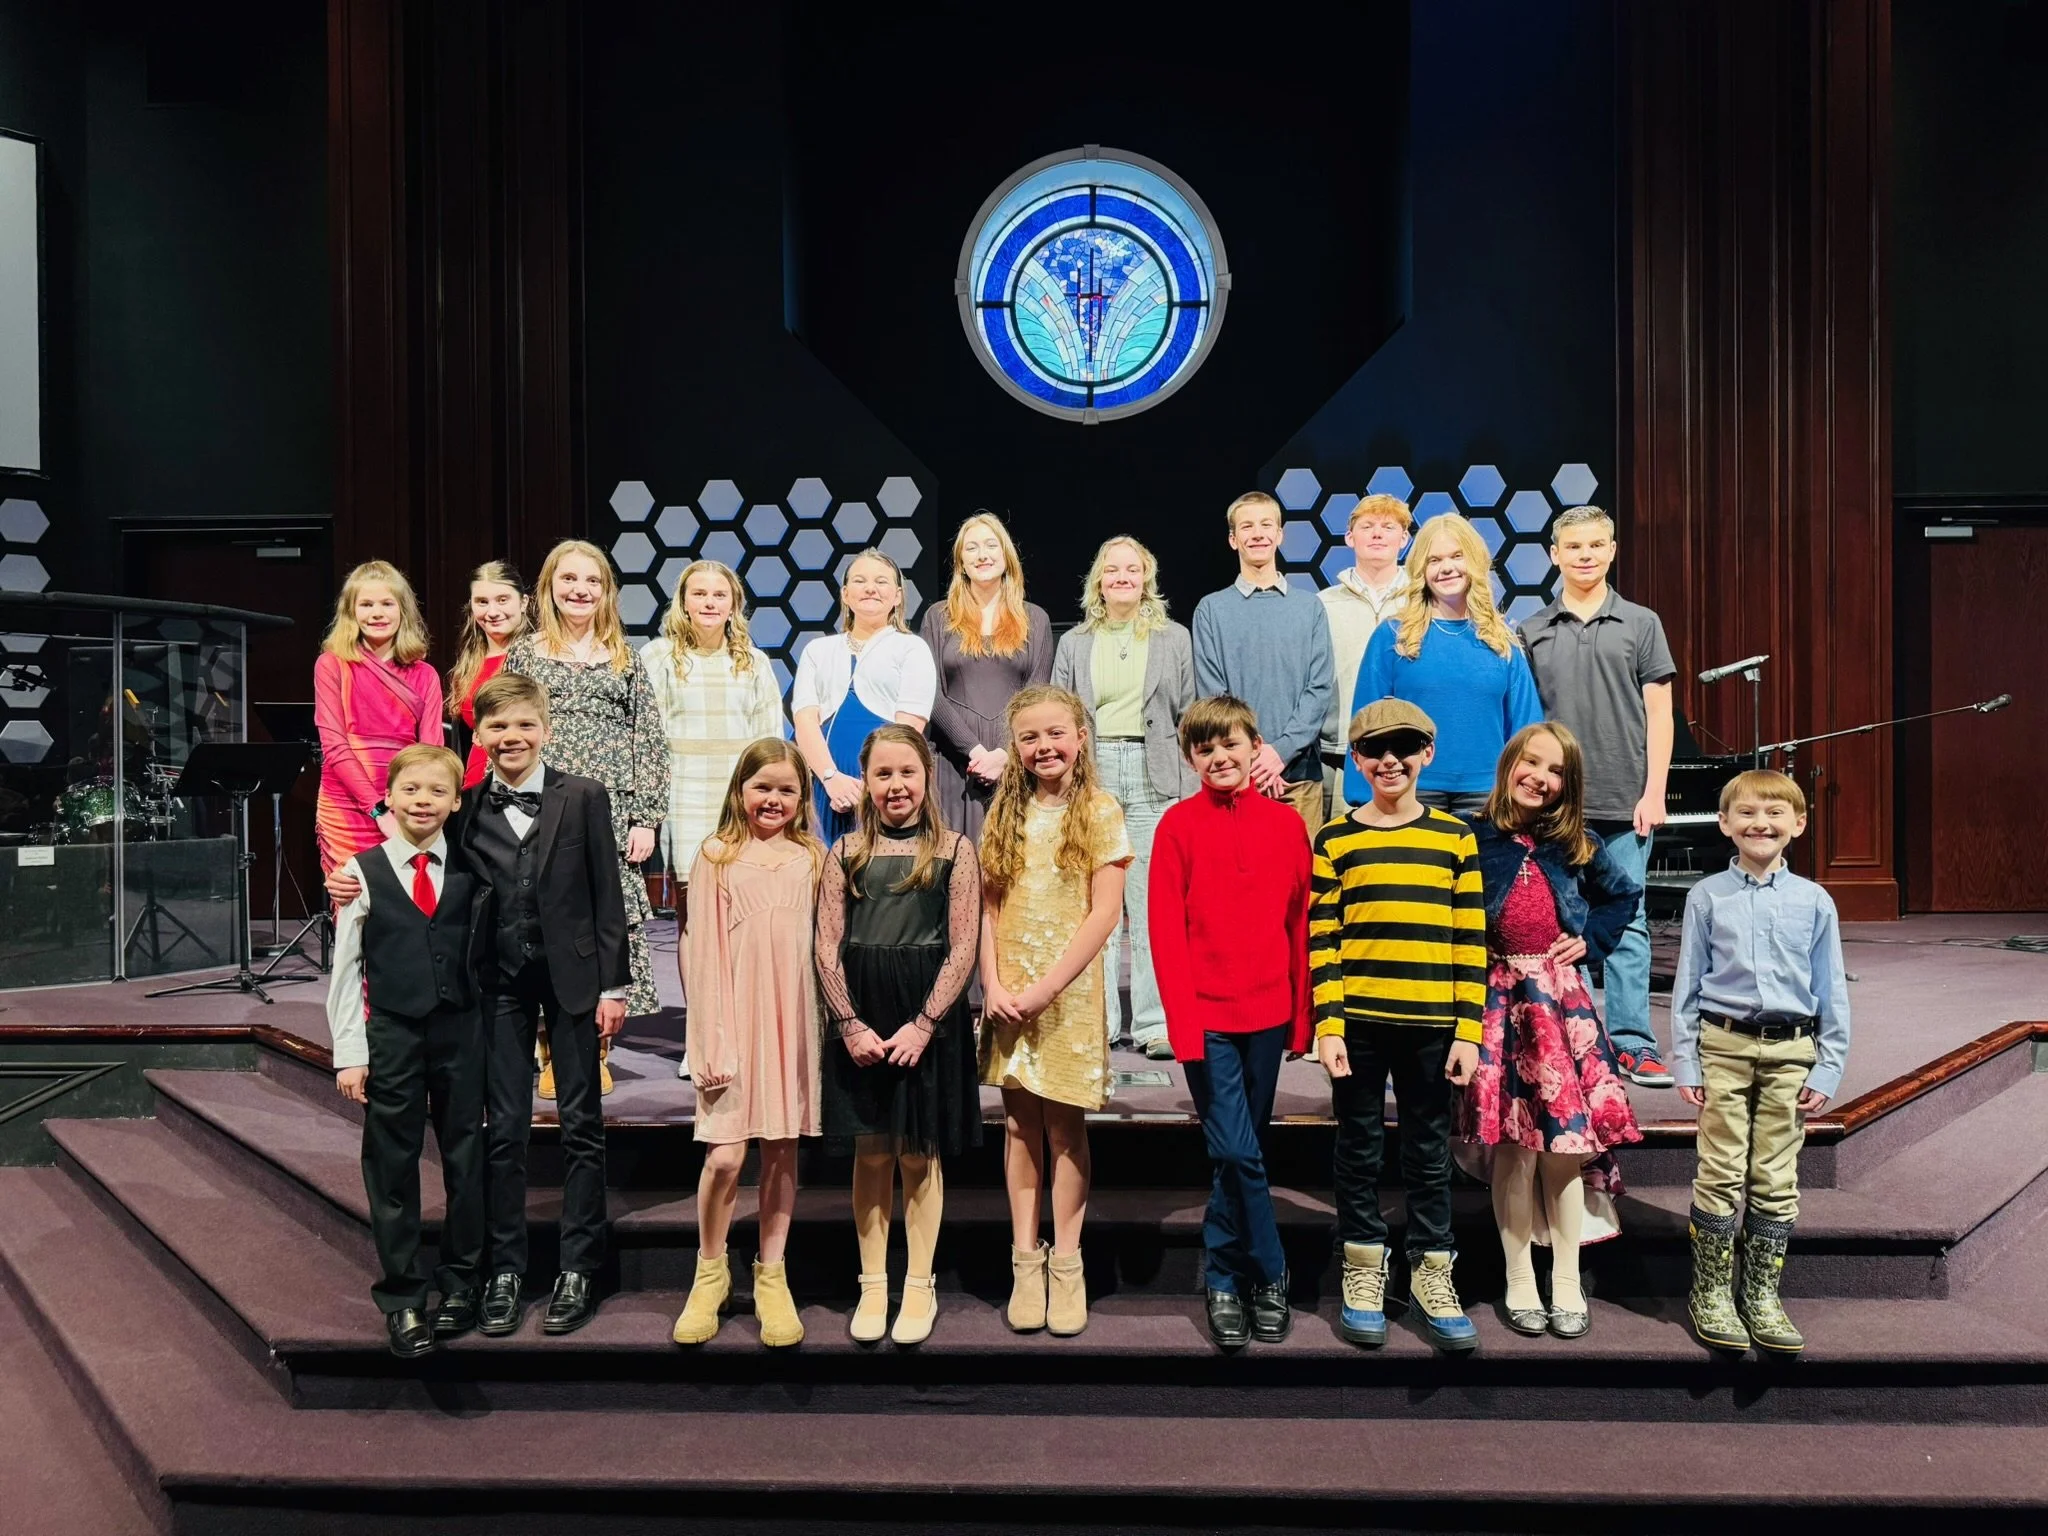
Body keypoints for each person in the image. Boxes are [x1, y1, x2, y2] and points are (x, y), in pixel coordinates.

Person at [323, 671, 632, 1339]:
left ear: (545, 729)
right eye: (497, 726)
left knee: (581, 1125)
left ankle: (578, 1267)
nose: (511, 736)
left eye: (524, 724)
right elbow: (412, 833)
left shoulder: (584, 795)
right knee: (504, 1131)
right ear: (479, 735)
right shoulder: (463, 806)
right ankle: (505, 1272)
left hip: (575, 981)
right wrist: (352, 875)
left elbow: (607, 892)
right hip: (498, 983)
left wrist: (614, 985)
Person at [1453, 723, 1644, 1341]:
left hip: (1557, 1008)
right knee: (1515, 1149)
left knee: (1563, 1147)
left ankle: (1565, 1278)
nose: (1540, 777)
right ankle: (1518, 1277)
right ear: (1509, 763)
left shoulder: (1577, 844)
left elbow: (1622, 897)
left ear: (1569, 783)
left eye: (1555, 770)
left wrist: (1591, 940)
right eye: (1530, 762)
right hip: (1497, 1004)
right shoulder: (1471, 838)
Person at [1312, 698, 1485, 1353]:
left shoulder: (1454, 838)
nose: (1390, 761)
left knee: (1428, 1152)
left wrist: (1468, 1030)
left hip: (1433, 1026)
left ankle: (1432, 1271)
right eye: (1375, 750)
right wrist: (1329, 1024)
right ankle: (1362, 1266)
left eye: (1404, 748)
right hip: (1357, 1024)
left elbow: (1470, 940)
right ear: (1356, 761)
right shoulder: (1336, 839)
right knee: (1357, 1148)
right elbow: (1323, 939)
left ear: (1427, 754)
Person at [1147, 696, 1311, 1349]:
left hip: (1268, 1014)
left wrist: (1302, 1018)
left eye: (1230, 744)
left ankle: (1222, 1279)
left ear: (1254, 746)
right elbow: (1165, 935)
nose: (1219, 757)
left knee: (1239, 1154)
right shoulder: (1177, 826)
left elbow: (1299, 923)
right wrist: (1183, 1028)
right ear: (1191, 759)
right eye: (1205, 748)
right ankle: (1266, 1273)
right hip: (1207, 1017)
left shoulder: (1287, 825)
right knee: (1238, 1150)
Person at [1672, 769, 1850, 1357]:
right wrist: (1687, 1061)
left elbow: (1831, 988)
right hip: (1723, 1046)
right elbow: (1687, 985)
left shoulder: (1815, 900)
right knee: (1720, 1167)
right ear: (1725, 823)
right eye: (1746, 813)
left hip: (1792, 1052)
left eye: (1775, 813)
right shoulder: (1706, 897)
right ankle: (1711, 1292)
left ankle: (1761, 1294)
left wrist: (1828, 1064)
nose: (1761, 823)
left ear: (1798, 823)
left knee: (1776, 1174)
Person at [814, 726, 982, 1346]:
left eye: (906, 772)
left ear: (927, 776)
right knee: (873, 1151)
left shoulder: (956, 850)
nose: (895, 786)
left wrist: (926, 1023)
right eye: (882, 774)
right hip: (862, 1014)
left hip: (924, 1017)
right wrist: (849, 1023)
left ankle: (918, 1283)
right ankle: (872, 1283)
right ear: (865, 781)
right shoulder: (845, 851)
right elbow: (826, 943)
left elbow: (963, 945)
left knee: (917, 1152)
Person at [327, 744, 491, 1358]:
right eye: (411, 790)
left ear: (455, 802)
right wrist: (350, 1051)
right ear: (389, 799)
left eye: (437, 791)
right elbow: (346, 970)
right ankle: (402, 1297)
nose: (423, 801)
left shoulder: (474, 867)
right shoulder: (360, 871)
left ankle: (462, 1281)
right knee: (392, 1163)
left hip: (461, 1033)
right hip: (393, 1036)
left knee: (465, 1157)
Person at [977, 684, 1131, 1338]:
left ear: (1081, 738)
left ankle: (1067, 1261)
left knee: (1065, 1129)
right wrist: (992, 983)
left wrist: (1046, 990)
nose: (1044, 747)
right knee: (1019, 1127)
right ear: (1015, 747)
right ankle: (1025, 1260)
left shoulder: (1098, 810)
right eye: (1030, 737)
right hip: (1009, 993)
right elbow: (987, 908)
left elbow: (1105, 912)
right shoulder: (1002, 812)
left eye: (1056, 733)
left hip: (1064, 995)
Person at [670, 739, 826, 1350]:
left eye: (787, 789)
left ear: (802, 797)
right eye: (763, 787)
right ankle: (709, 1272)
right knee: (727, 1157)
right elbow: (702, 951)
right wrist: (708, 1040)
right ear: (740, 790)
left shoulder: (813, 858)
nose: (774, 799)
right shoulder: (717, 855)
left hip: (795, 1021)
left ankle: (771, 1274)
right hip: (733, 1021)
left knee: (782, 1153)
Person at [1519, 506, 1678, 1088]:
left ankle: (1634, 1042)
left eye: (1595, 545)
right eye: (1573, 546)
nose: (1585, 555)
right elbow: (1525, 721)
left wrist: (1654, 791)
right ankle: (1578, 1039)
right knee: (1562, 924)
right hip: (1556, 805)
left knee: (1628, 922)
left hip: (1624, 799)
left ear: (1612, 551)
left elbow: (1660, 715)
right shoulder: (1531, 629)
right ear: (1554, 554)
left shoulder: (1641, 623)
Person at [507, 539, 669, 1094]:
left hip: (610, 811)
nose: (580, 590)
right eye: (569, 579)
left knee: (605, 922)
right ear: (549, 587)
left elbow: (649, 739)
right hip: (541, 806)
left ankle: (595, 1050)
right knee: (545, 920)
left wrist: (646, 818)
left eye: (592, 581)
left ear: (607, 592)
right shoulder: (526, 655)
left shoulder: (625, 657)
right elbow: (507, 728)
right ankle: (551, 1047)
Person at [1051, 535, 1197, 1059]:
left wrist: (1189, 786)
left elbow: (1188, 714)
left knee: (1152, 904)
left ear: (1146, 578)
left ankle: (1155, 1023)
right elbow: (1059, 715)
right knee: (1097, 903)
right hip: (1095, 774)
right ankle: (1103, 1020)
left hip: (1154, 773)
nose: (1122, 578)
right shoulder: (1074, 643)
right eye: (1112, 570)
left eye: (1132, 569)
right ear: (1099, 581)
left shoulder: (1174, 638)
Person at [641, 560, 785, 1082]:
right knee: (696, 919)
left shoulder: (754, 661)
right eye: (698, 593)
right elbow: (646, 737)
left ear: (733, 603)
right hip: (685, 790)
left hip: (740, 795)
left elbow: (770, 739)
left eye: (718, 594)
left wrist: (766, 801)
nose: (708, 602)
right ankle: (701, 1037)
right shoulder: (658, 657)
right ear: (682, 601)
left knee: (744, 916)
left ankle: (744, 1032)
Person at [1349, 513, 1543, 818]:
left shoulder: (1502, 641)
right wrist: (1363, 795)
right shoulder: (1392, 636)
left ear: (1474, 562)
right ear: (1421, 570)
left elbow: (1526, 726)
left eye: (1457, 556)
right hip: (1409, 788)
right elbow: (1366, 719)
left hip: (1489, 793)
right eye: (1434, 560)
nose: (1447, 568)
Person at [1191, 491, 1334, 841]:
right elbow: (1214, 696)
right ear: (1233, 539)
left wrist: (1279, 752)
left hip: (1299, 777)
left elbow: (1319, 688)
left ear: (1280, 535)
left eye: (1266, 525)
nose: (1257, 534)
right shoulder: (1211, 610)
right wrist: (1252, 757)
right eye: (1247, 526)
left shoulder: (1309, 607)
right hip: (1237, 777)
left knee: (1301, 874)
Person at [918, 513, 1052, 850]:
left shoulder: (1035, 619)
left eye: (991, 545)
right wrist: (974, 751)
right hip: (953, 763)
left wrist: (1005, 754)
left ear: (1006, 556)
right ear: (961, 563)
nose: (982, 555)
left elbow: (1036, 696)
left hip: (1016, 761)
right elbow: (930, 693)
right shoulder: (939, 617)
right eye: (972, 548)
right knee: (955, 863)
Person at [792, 548, 937, 844]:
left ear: (897, 596)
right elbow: (805, 720)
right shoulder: (817, 650)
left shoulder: (912, 648)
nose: (870, 588)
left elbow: (908, 728)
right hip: (826, 786)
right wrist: (831, 778)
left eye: (881, 582)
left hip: (887, 788)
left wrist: (874, 786)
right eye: (860, 581)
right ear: (845, 594)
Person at [314, 561, 445, 878]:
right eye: (366, 605)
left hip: (407, 802)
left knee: (405, 898)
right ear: (351, 611)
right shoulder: (331, 664)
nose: (377, 613)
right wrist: (377, 809)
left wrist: (411, 804)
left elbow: (431, 753)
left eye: (387, 604)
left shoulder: (425, 674)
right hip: (346, 805)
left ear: (403, 610)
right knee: (351, 897)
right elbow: (334, 746)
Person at [1318, 495, 1411, 815]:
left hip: (1409, 752)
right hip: (1339, 753)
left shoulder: (1423, 602)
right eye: (1367, 526)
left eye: (1388, 526)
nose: (1377, 534)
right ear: (1349, 537)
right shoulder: (1323, 604)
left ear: (1404, 539)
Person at [446, 561, 529, 790]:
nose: (492, 612)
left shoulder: (539, 658)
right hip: (475, 785)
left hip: (520, 782)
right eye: (482, 602)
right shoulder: (467, 666)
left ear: (523, 602)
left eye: (502, 600)